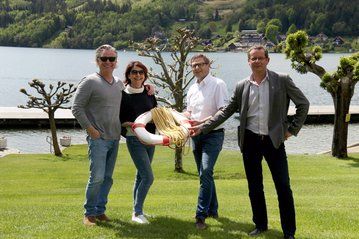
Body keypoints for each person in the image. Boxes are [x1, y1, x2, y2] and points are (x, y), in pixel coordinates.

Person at [190, 45, 309, 239]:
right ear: (248, 62)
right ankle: (260, 225)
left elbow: (303, 104)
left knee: (283, 187)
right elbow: (226, 111)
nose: (257, 61)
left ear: (267, 60)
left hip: (274, 141)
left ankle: (289, 232)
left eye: (260, 58)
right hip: (250, 140)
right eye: (253, 59)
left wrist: (291, 130)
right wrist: (203, 127)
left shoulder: (282, 80)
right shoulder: (241, 85)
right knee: (254, 186)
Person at [72, 44, 124, 226]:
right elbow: (76, 108)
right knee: (97, 177)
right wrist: (90, 129)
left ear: (116, 62)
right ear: (97, 61)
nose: (108, 62)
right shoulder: (89, 81)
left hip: (115, 137)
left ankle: (101, 211)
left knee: (108, 178)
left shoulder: (119, 83)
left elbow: (129, 100)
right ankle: (89, 213)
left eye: (112, 59)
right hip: (98, 138)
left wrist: (148, 87)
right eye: (104, 59)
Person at [185, 54, 229, 230]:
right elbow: (189, 113)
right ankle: (213, 210)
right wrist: (175, 116)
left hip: (213, 134)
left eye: (200, 65)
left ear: (208, 65)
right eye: (194, 66)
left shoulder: (218, 84)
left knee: (205, 172)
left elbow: (223, 112)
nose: (197, 68)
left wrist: (203, 124)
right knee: (205, 174)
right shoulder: (192, 88)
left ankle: (200, 215)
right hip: (196, 135)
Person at [120, 61, 157, 224]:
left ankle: (137, 210)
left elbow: (155, 113)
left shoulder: (149, 93)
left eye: (141, 72)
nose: (138, 75)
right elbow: (118, 116)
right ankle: (137, 213)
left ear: (145, 75)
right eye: (134, 72)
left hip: (150, 138)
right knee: (148, 177)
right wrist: (125, 124)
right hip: (134, 138)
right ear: (128, 75)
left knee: (140, 176)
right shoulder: (122, 94)